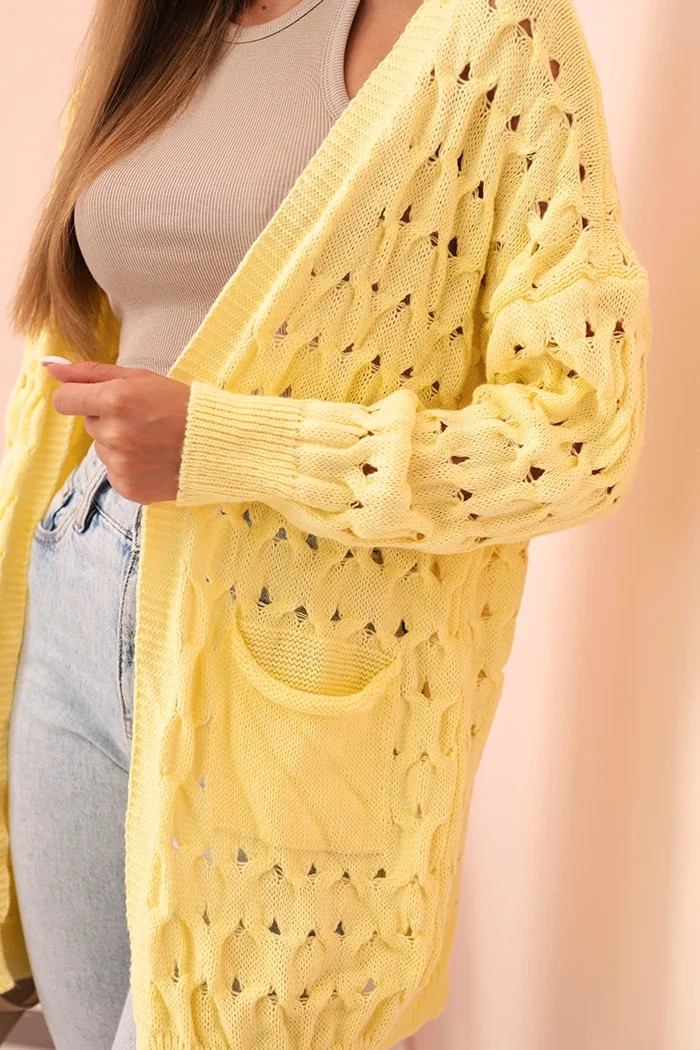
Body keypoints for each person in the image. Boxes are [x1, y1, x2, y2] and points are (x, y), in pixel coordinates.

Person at [0, 1, 652, 1048]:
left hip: (299, 656)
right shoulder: (153, 22)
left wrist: (231, 444)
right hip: (76, 589)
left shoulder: (496, 36)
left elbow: (578, 433)